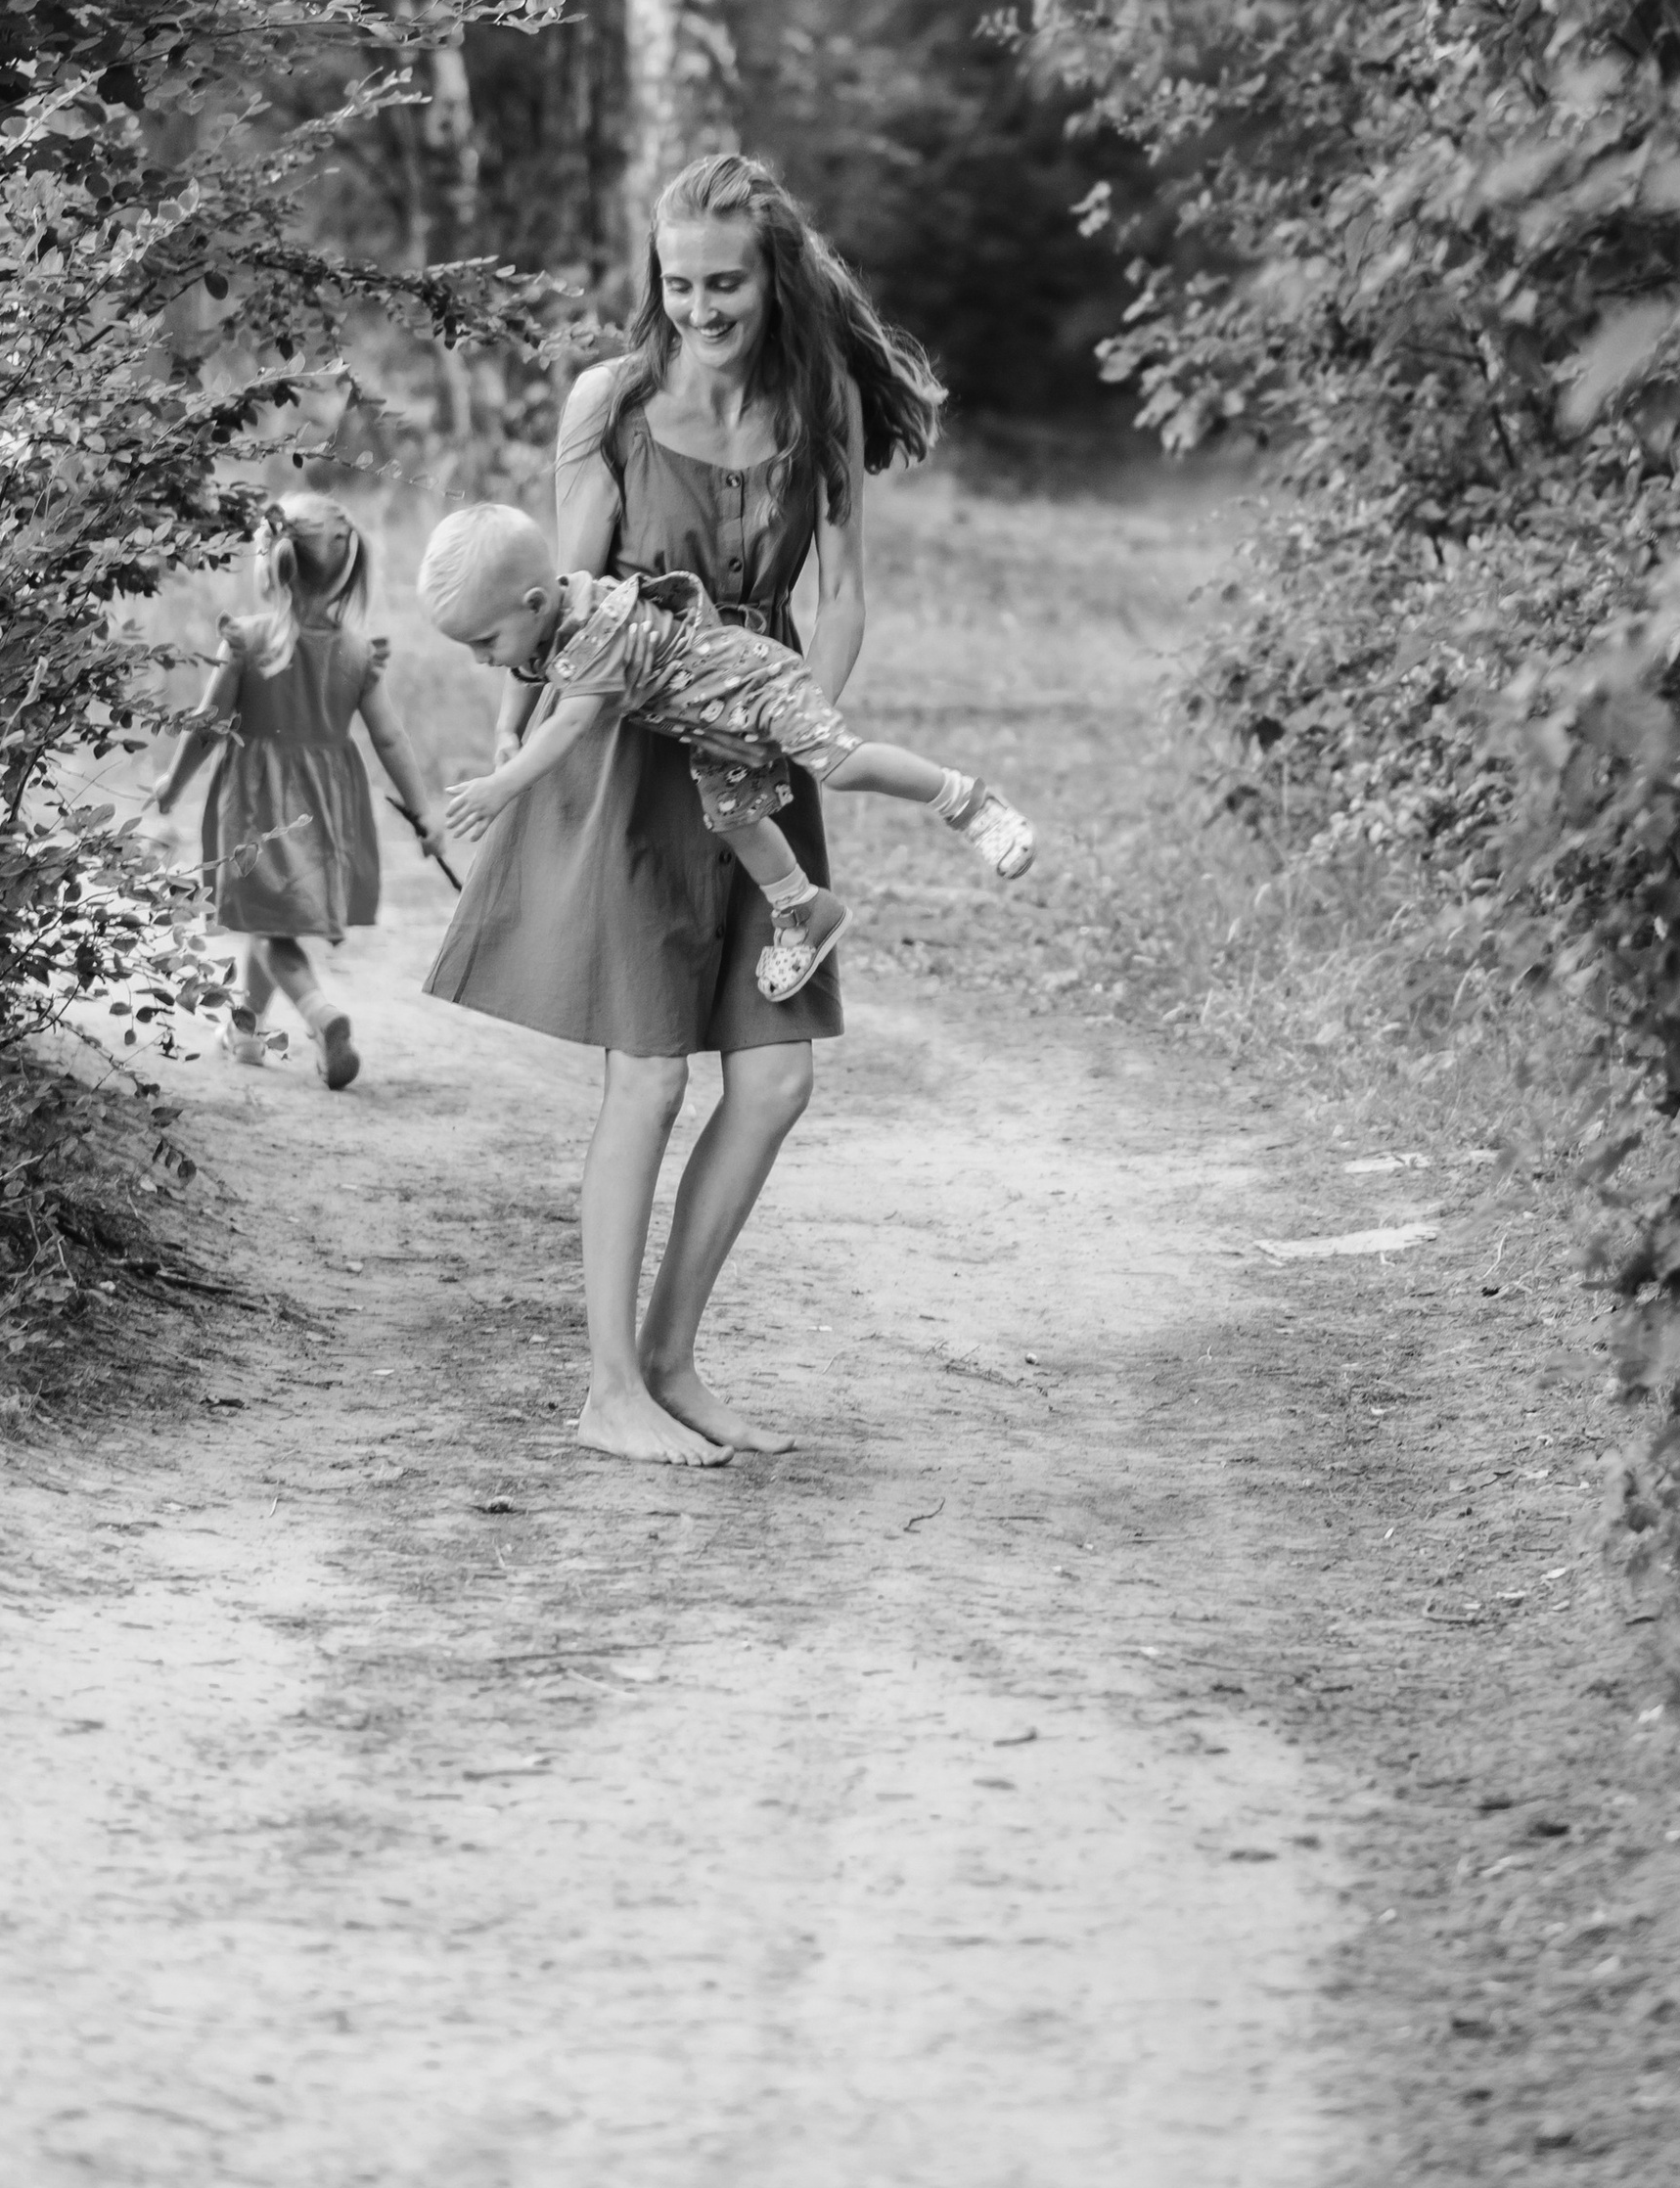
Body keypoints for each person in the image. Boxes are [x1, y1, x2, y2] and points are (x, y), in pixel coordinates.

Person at [422, 149, 944, 1467]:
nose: (703, 306)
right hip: (634, 755)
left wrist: (803, 732)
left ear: (772, 275)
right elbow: (562, 600)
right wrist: (515, 742)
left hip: (756, 740)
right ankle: (607, 1390)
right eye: (680, 281)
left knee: (773, 1081)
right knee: (647, 1075)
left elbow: (845, 595)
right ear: (654, 278)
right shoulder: (613, 402)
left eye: (726, 282)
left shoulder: (818, 404)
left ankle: (668, 1361)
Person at [419, 504, 1032, 999]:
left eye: (483, 640)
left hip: (754, 684)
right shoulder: (551, 618)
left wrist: (503, 785)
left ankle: (968, 801)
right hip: (711, 729)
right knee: (734, 818)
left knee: (839, 767)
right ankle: (802, 909)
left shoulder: (598, 634)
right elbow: (526, 672)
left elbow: (568, 725)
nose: (481, 657)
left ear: (532, 604)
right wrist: (505, 733)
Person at [153, 486, 449, 1091]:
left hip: (258, 806)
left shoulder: (248, 640)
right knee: (269, 920)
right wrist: (424, 811)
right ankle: (244, 1029)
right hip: (326, 809)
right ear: (345, 570)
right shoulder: (356, 652)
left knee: (269, 924)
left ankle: (319, 1014)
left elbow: (208, 727)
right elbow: (390, 740)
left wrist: (172, 783)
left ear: (272, 560)